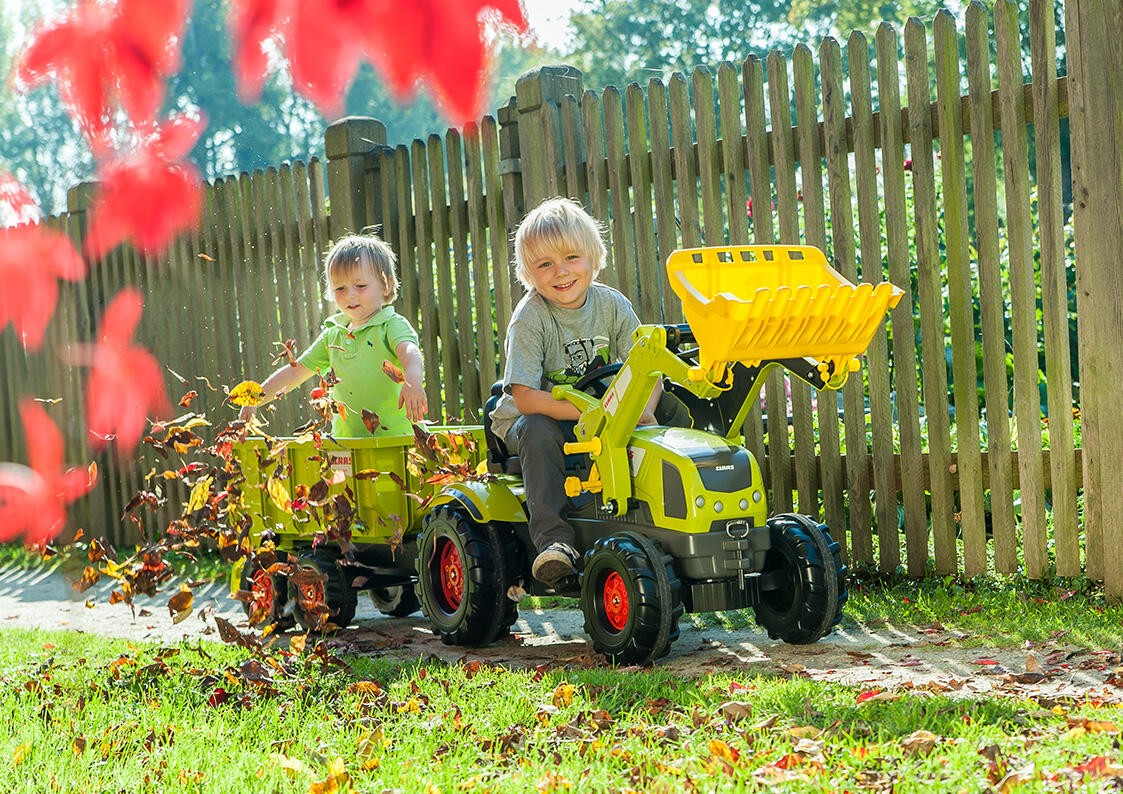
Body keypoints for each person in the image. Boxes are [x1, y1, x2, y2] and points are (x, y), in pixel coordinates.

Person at [488, 198, 686, 586]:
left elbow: (648, 367)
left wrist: (643, 410)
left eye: (571, 258)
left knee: (675, 411)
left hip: (603, 411)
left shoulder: (612, 305)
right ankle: (554, 543)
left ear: (593, 257)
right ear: (530, 273)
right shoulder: (531, 317)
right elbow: (525, 397)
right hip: (540, 417)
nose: (560, 272)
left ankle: (664, 517)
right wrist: (591, 414)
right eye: (545, 264)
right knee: (538, 430)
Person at [239, 234, 427, 435]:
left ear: (386, 285)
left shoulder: (390, 325)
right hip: (348, 445)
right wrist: (257, 396)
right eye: (340, 288)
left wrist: (413, 378)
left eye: (360, 286)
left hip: (400, 441)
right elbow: (296, 371)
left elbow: (409, 351)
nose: (350, 295)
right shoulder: (333, 335)